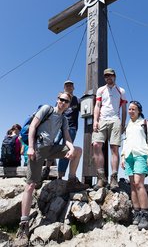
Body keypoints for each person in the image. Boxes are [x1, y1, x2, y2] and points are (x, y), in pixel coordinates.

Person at [15, 92, 87, 246]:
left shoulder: (63, 119)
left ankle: (72, 180)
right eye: (62, 100)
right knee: (30, 185)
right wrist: (31, 147)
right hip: (38, 149)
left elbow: (67, 137)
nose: (64, 103)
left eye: (67, 101)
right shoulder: (47, 109)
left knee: (78, 151)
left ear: (69, 104)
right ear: (57, 100)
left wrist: (71, 148)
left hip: (52, 148)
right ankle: (24, 223)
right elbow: (33, 126)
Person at [121, 101, 148, 230]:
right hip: (129, 156)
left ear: (139, 111)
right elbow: (126, 141)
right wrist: (122, 156)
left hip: (141, 154)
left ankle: (144, 214)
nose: (130, 111)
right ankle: (136, 213)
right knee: (132, 185)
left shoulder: (146, 123)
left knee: (138, 183)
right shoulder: (128, 125)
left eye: (133, 109)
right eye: (129, 109)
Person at [92, 68, 127, 190]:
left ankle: (113, 178)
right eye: (106, 76)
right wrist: (95, 120)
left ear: (115, 76)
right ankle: (101, 177)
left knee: (114, 148)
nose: (108, 78)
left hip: (115, 120)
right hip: (102, 119)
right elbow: (97, 106)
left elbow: (123, 108)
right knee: (96, 145)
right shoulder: (100, 90)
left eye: (110, 76)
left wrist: (123, 123)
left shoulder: (121, 90)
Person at [41, 80, 80, 180]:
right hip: (58, 127)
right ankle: (47, 168)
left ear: (73, 88)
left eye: (71, 85)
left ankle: (60, 176)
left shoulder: (77, 100)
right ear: (64, 88)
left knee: (66, 149)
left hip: (71, 128)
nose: (69, 87)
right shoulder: (60, 100)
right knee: (53, 145)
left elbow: (85, 109)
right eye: (67, 85)